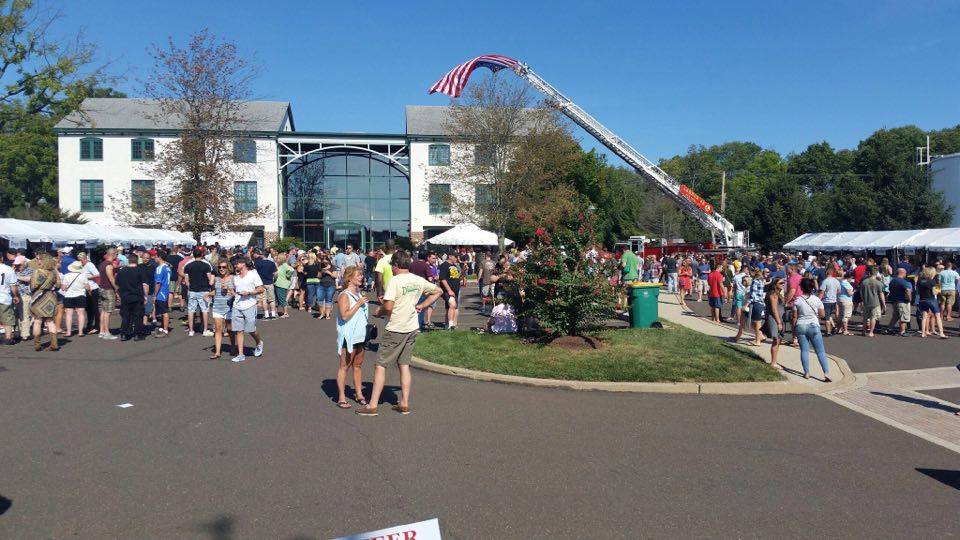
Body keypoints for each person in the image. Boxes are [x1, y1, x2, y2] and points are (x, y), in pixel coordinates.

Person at [357, 250, 442, 416]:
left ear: (396, 265)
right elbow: (438, 290)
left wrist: (378, 311)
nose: (392, 269)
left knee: (380, 365)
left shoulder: (395, 281)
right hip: (411, 327)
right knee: (404, 365)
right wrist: (423, 305)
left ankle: (372, 405)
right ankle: (404, 402)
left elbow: (388, 307)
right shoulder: (417, 280)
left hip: (395, 327)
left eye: (392, 266)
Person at [335, 266, 369, 409]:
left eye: (361, 275)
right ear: (349, 278)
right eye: (358, 275)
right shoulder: (344, 295)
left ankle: (359, 393)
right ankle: (341, 397)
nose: (361, 277)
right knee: (345, 366)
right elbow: (344, 315)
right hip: (349, 336)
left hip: (361, 335)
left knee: (358, 365)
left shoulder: (359, 294)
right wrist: (359, 304)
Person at [793, 278, 831, 382]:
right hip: (813, 325)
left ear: (801, 287)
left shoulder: (798, 300)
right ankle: (826, 373)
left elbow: (794, 317)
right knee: (820, 351)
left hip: (801, 325)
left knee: (804, 351)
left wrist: (794, 331)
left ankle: (806, 372)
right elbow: (822, 314)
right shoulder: (816, 299)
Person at [229, 257, 265, 363]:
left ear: (243, 264)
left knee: (250, 329)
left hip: (250, 305)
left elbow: (261, 289)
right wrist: (232, 292)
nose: (235, 265)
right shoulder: (235, 277)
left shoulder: (253, 274)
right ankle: (241, 354)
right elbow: (234, 290)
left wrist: (249, 293)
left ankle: (259, 342)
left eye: (236, 263)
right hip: (237, 305)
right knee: (238, 330)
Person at [29, 253, 60, 351]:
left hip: (38, 296)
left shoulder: (38, 272)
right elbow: (58, 286)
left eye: (39, 259)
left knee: (37, 321)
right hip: (50, 296)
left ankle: (37, 344)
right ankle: (54, 344)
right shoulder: (53, 272)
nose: (37, 261)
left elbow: (34, 285)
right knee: (50, 321)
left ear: (44, 260)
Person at [116, 254, 148, 341]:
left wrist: (119, 295)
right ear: (136, 261)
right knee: (138, 316)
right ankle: (137, 334)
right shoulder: (140, 270)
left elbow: (117, 284)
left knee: (125, 316)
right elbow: (145, 285)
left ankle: (123, 333)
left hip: (125, 296)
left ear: (128, 261)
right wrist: (145, 296)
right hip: (137, 296)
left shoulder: (122, 271)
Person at [183, 248, 214, 337]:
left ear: (193, 255)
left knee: (191, 310)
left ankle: (191, 330)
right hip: (204, 290)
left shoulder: (188, 266)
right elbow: (209, 278)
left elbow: (186, 280)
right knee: (204, 310)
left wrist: (189, 288)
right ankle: (205, 329)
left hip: (192, 290)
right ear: (201, 255)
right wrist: (211, 287)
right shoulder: (206, 265)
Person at [209, 260, 236, 359]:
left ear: (228, 268)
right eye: (220, 267)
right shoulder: (216, 279)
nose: (221, 269)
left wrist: (229, 288)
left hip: (229, 307)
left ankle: (233, 346)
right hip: (217, 307)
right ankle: (217, 352)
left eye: (224, 267)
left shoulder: (233, 278)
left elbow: (236, 293)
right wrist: (208, 294)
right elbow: (215, 292)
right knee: (218, 330)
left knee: (230, 329)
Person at [60, 260, 91, 337]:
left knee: (68, 315)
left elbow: (63, 288)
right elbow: (87, 287)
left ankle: (68, 332)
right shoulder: (83, 276)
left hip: (69, 296)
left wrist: (66, 288)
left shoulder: (66, 275)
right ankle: (80, 332)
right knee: (81, 314)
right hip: (80, 296)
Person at [917, 266, 948, 339]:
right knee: (937, 316)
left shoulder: (920, 281)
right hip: (931, 300)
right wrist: (939, 288)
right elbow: (935, 292)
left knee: (924, 316)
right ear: (931, 273)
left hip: (922, 300)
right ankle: (941, 333)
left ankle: (923, 333)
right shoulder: (933, 281)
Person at [97, 249, 119, 340]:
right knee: (108, 312)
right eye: (116, 254)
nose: (117, 256)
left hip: (101, 289)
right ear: (113, 254)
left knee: (103, 311)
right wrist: (116, 288)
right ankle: (107, 332)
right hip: (108, 289)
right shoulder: (108, 265)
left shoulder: (102, 264)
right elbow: (111, 278)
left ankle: (102, 331)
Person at [77, 252, 100, 334]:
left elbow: (97, 274)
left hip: (93, 288)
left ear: (85, 258)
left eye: (82, 260)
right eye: (79, 260)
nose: (81, 262)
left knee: (95, 308)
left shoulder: (89, 264)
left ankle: (97, 326)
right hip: (86, 289)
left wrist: (88, 277)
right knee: (88, 309)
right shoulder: (82, 266)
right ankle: (89, 325)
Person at [859, 267, 885, 338]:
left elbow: (861, 293)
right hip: (875, 302)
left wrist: (863, 300)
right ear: (876, 274)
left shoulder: (864, 282)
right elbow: (881, 294)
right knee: (873, 318)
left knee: (865, 318)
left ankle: (863, 331)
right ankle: (871, 332)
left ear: (869, 273)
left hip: (866, 302)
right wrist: (884, 304)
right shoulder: (878, 283)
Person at [439, 252, 463, 330]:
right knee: (452, 305)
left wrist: (463, 271)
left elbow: (457, 276)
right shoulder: (444, 265)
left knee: (454, 307)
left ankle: (453, 324)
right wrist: (449, 290)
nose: (456, 258)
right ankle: (450, 325)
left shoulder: (454, 266)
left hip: (455, 290)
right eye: (455, 256)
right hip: (448, 290)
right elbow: (442, 278)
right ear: (450, 256)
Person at [887, 267, 913, 337]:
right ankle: (902, 331)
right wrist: (909, 298)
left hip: (894, 301)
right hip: (902, 301)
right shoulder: (904, 282)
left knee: (895, 316)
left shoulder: (892, 281)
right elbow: (908, 290)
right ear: (903, 273)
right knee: (903, 317)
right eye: (905, 273)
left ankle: (889, 329)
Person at [253, 249, 278, 320]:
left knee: (264, 300)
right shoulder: (271, 263)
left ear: (262, 255)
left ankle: (266, 315)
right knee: (272, 300)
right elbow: (275, 274)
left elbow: (255, 274)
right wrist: (274, 280)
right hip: (270, 282)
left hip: (261, 284)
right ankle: (273, 315)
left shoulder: (257, 263)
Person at [0, 256, 20, 345]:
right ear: (1, 258)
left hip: (4, 297)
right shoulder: (9, 269)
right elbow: (13, 286)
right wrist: (16, 296)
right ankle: (8, 338)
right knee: (7, 319)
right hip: (4, 297)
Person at [153, 251, 172, 337]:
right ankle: (163, 327)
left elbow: (158, 283)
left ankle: (165, 329)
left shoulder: (159, 268)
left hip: (161, 292)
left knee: (164, 311)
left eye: (156, 256)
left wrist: (155, 294)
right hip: (166, 290)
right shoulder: (168, 267)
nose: (154, 258)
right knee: (162, 310)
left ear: (160, 257)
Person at [13, 255, 32, 341]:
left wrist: (16, 278)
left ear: (24, 263)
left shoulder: (30, 270)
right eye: (16, 265)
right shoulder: (13, 271)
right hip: (14, 296)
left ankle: (25, 334)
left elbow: (30, 279)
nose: (17, 266)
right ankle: (17, 333)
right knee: (15, 316)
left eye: (19, 265)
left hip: (25, 295)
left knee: (24, 315)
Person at [819, 267, 841, 335]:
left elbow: (822, 292)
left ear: (826, 273)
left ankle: (828, 332)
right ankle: (833, 326)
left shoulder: (825, 281)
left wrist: (818, 300)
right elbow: (839, 291)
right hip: (833, 301)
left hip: (826, 301)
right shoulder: (836, 281)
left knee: (826, 318)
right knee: (829, 315)